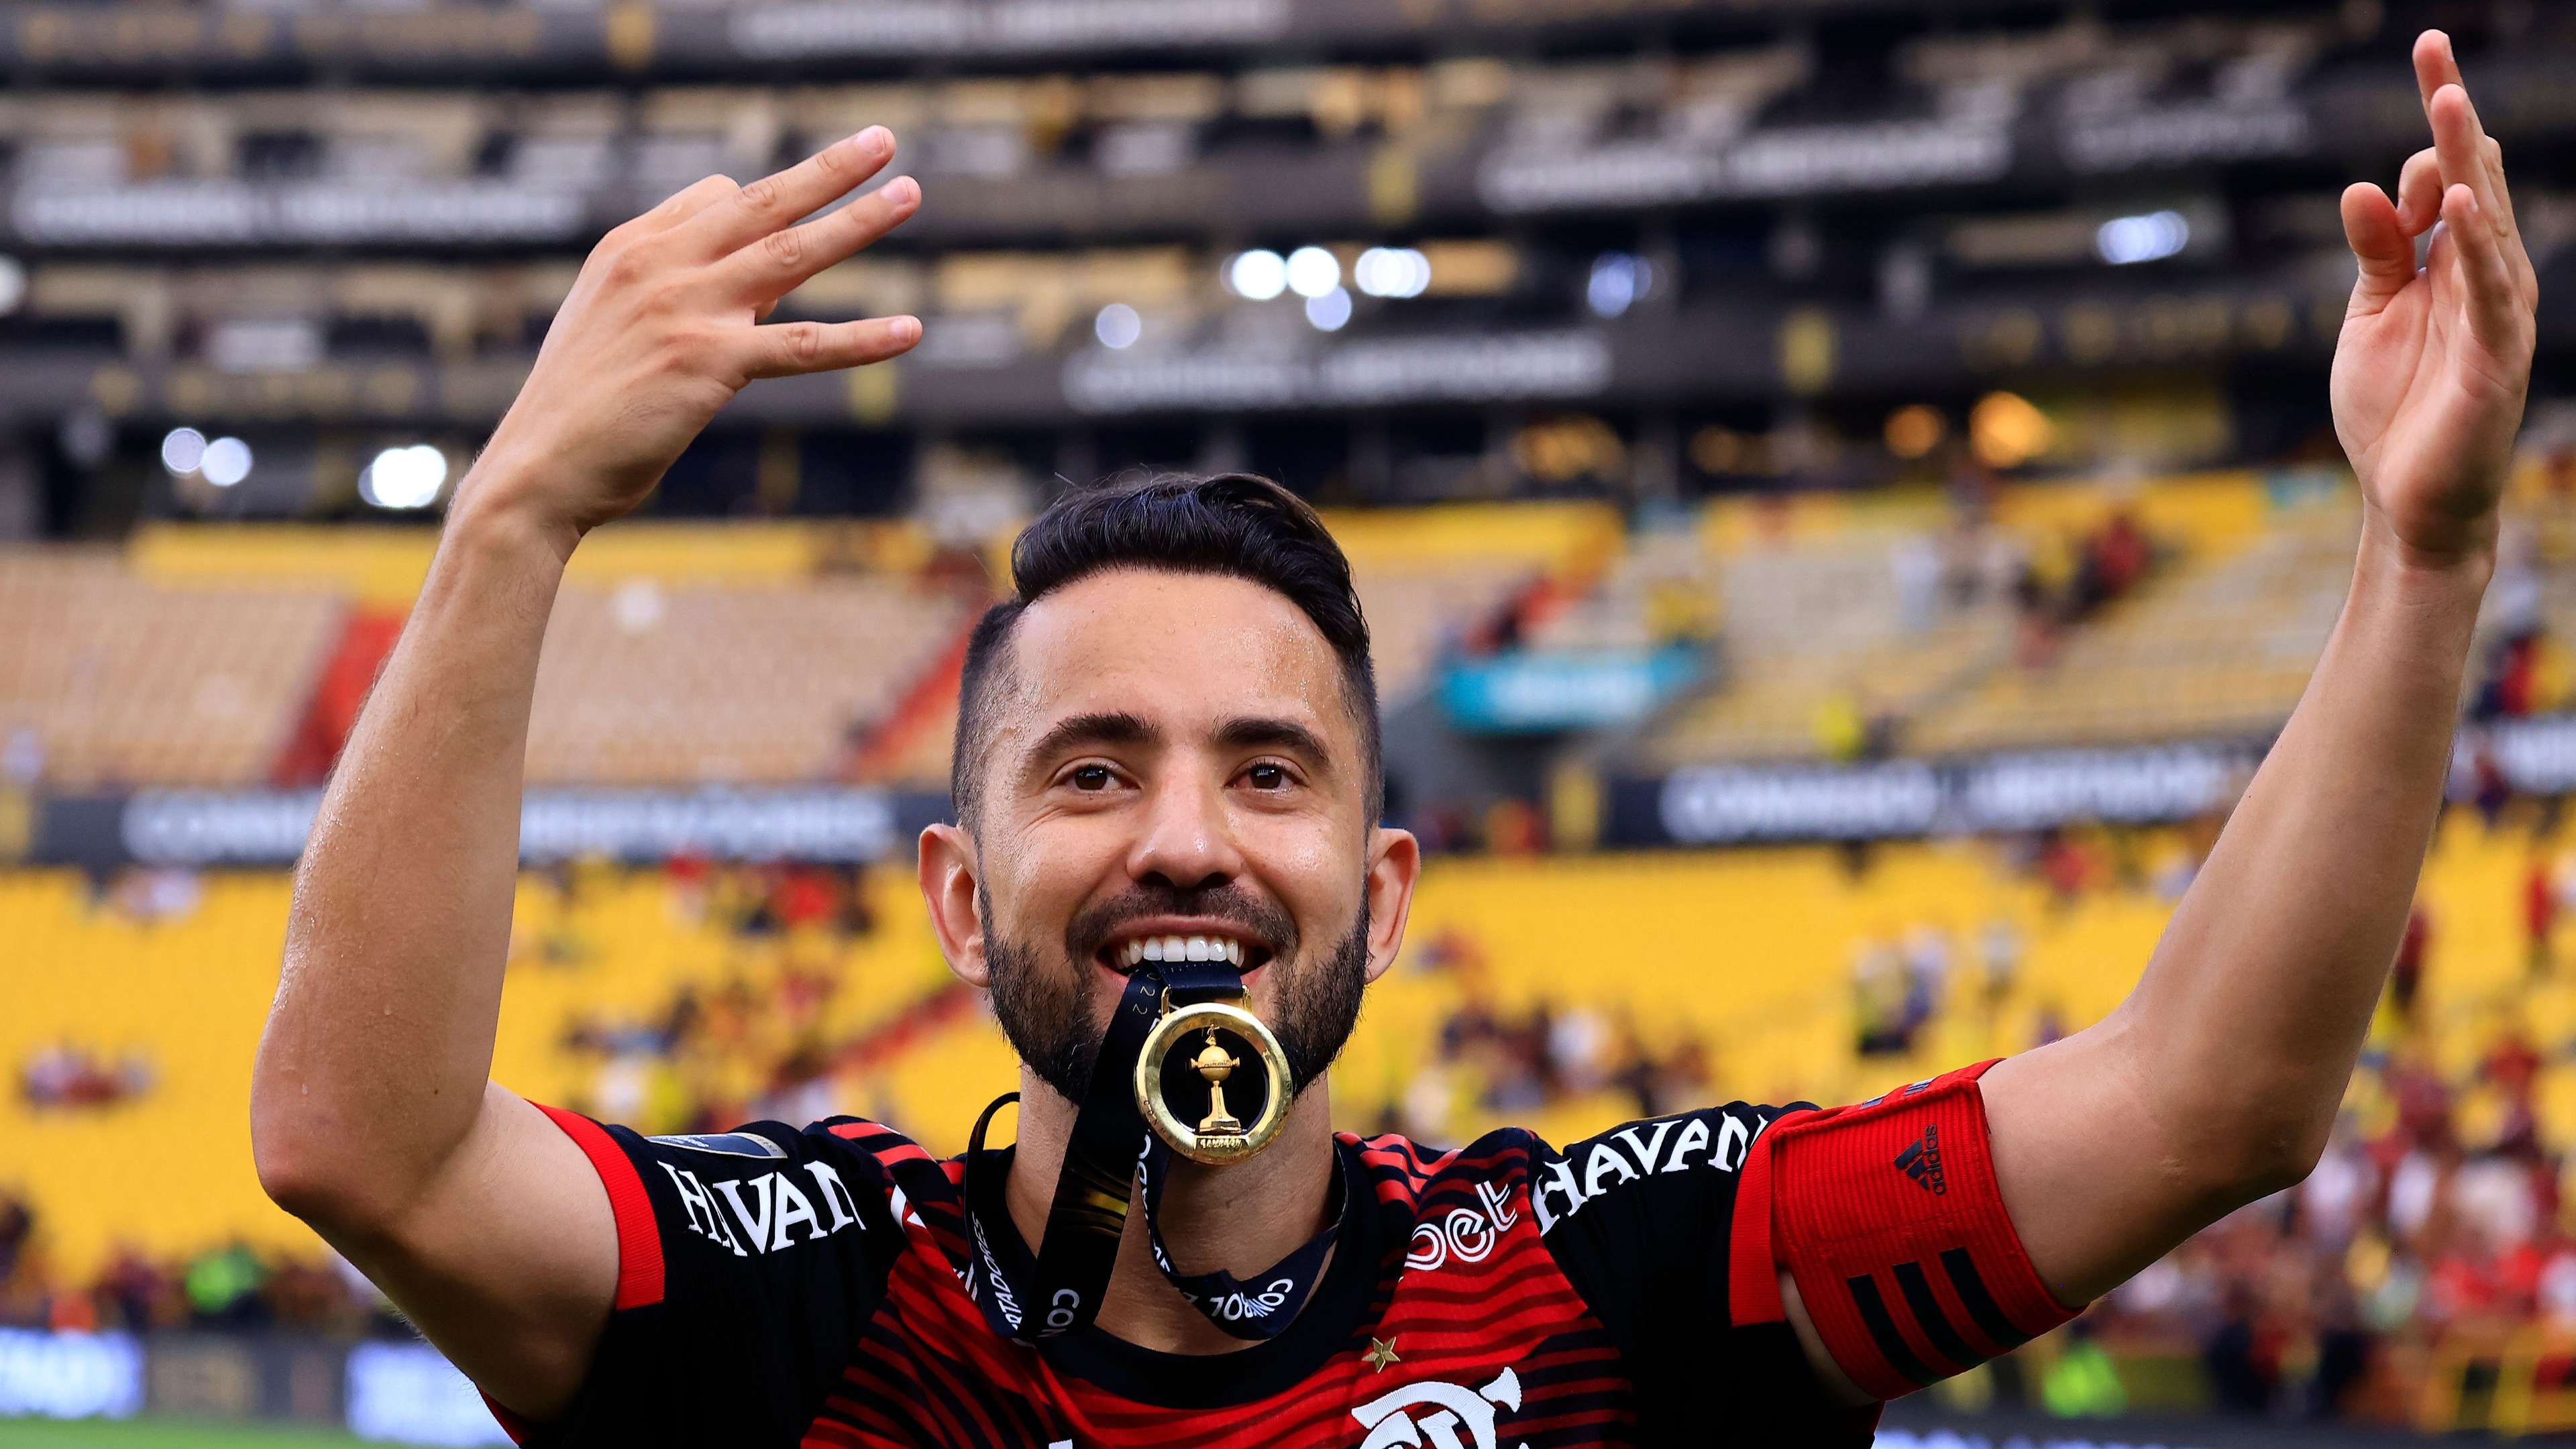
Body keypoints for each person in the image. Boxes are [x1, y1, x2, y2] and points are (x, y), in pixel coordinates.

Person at [248, 32, 2536, 1447]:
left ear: (1389, 879)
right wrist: (519, 509)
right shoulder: (810, 1295)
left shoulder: (1621, 1286)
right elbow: (367, 1147)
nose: (1184, 840)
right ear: (953, 896)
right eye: (1088, 769)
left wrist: (2420, 561)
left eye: (1270, 771)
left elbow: (2209, 1105)